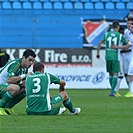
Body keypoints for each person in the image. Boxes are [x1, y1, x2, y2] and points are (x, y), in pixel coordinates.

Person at [96, 21, 132, 97]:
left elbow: (99, 43)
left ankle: (113, 91)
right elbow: (126, 45)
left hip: (107, 56)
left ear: (112, 27)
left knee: (110, 74)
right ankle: (112, 92)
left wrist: (98, 53)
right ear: (118, 27)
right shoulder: (119, 35)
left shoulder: (106, 34)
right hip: (116, 56)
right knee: (116, 73)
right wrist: (128, 42)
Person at [0, 49, 36, 115]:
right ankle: (0, 107)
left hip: (5, 87)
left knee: (26, 89)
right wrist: (25, 75)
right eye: (30, 60)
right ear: (23, 58)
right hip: (1, 85)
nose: (31, 63)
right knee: (15, 88)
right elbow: (9, 80)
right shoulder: (16, 64)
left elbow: (20, 81)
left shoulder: (25, 68)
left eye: (33, 61)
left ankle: (8, 107)